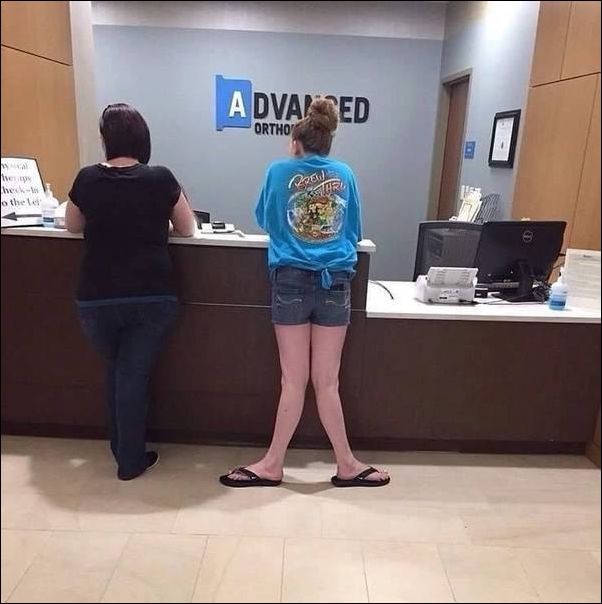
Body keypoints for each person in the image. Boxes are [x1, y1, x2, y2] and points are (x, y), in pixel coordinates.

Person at [220, 98, 389, 488]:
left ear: (296, 142)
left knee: (292, 382)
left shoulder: (278, 170)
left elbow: (264, 218)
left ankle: (272, 464)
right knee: (327, 382)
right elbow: (354, 228)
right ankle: (346, 464)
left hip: (291, 280)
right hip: (335, 280)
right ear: (328, 140)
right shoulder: (344, 173)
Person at [66, 103, 196, 480]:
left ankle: (121, 450)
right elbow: (188, 228)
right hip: (151, 297)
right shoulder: (160, 178)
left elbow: (71, 225)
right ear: (143, 138)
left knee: (118, 371)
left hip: (97, 299)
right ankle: (129, 460)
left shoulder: (87, 179)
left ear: (105, 139)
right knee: (130, 375)